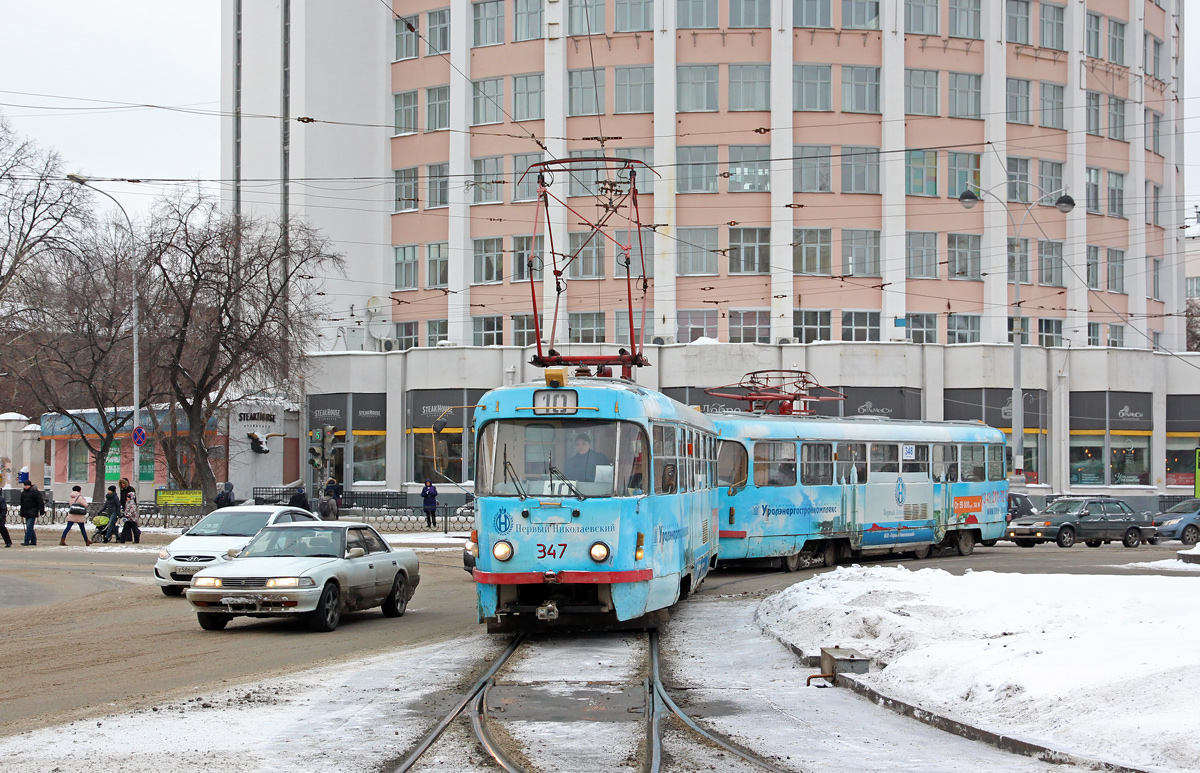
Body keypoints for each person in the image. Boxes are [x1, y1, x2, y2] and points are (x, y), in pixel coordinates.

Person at [19, 479, 45, 546]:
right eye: (25, 485)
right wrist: (21, 512)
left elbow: (40, 502)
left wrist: (41, 511)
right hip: (26, 512)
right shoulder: (23, 493)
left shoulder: (35, 492)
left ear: (30, 485)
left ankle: (26, 540)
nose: (26, 487)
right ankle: (33, 541)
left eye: (27, 485)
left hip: (33, 511)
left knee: (29, 526)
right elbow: (22, 503)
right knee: (29, 527)